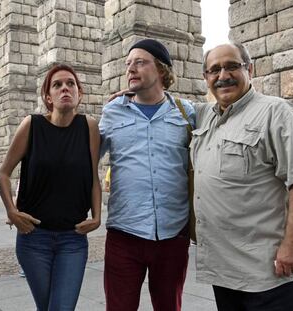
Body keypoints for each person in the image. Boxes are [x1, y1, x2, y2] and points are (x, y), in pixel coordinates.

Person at [191, 43, 293, 311]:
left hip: (267, 271)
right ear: (206, 78)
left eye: (232, 66)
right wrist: (129, 95)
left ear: (249, 69)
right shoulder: (205, 117)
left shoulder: (277, 113)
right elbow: (165, 103)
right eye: (214, 70)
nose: (223, 75)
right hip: (224, 269)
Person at [99, 39, 195, 310]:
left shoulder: (187, 113)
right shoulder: (113, 111)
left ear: (162, 71)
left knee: (169, 306)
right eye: (128, 64)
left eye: (140, 62)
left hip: (173, 234)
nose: (131, 68)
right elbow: (84, 159)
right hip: (124, 234)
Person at [0, 63, 101, 310]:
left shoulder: (89, 126)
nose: (65, 88)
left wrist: (97, 217)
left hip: (73, 239)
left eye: (70, 84)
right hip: (34, 238)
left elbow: (94, 177)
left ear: (79, 93)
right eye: (57, 85)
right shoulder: (31, 125)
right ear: (48, 96)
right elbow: (3, 174)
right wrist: (11, 211)